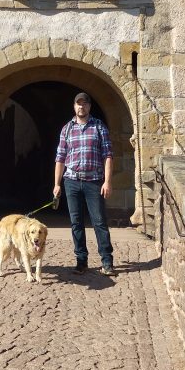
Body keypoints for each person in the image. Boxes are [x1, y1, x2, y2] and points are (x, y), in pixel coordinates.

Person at [53, 91, 116, 276]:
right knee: (76, 223)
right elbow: (60, 158)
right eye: (78, 104)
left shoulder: (98, 126)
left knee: (99, 222)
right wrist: (56, 184)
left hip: (94, 182)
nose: (81, 107)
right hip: (71, 181)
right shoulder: (67, 129)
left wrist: (108, 182)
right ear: (74, 106)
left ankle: (107, 261)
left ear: (89, 106)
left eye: (85, 104)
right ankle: (81, 261)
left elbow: (108, 155)